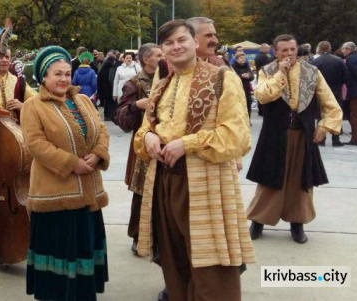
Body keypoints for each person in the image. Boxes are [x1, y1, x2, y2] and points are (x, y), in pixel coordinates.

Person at [134, 20, 255, 301]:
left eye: (181, 40)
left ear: (194, 42)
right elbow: (145, 129)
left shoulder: (222, 78)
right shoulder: (163, 85)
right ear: (162, 50)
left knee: (211, 263)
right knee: (174, 259)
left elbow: (237, 136)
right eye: (168, 43)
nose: (176, 47)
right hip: (165, 179)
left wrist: (188, 143)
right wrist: (149, 138)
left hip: (206, 181)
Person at [22, 46, 110, 301]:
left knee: (83, 247)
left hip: (88, 192)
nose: (63, 79)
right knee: (60, 250)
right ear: (43, 78)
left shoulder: (82, 100)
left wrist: (97, 154)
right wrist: (72, 163)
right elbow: (36, 144)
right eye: (57, 74)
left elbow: (101, 130)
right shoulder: (33, 106)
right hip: (56, 195)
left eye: (67, 73)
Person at [247, 34, 342, 244]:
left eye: (292, 49)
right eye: (284, 50)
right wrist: (280, 73)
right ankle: (258, 222)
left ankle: (297, 224)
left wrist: (325, 126)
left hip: (304, 133)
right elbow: (262, 96)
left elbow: (331, 103)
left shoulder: (312, 71)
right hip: (274, 133)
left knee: (302, 181)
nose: (289, 54)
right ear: (275, 52)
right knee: (269, 179)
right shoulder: (267, 71)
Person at [116, 43, 161, 254]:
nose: (163, 58)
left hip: (167, 141)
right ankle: (137, 235)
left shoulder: (171, 79)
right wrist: (135, 106)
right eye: (159, 55)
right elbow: (121, 119)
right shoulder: (134, 83)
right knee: (141, 191)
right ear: (146, 59)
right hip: (143, 144)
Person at [310, 41, 347, 146]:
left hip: (320, 91)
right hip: (335, 89)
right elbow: (345, 76)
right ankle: (336, 139)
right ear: (330, 48)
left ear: (319, 49)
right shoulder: (339, 61)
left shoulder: (314, 62)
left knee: (321, 113)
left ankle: (321, 139)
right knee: (336, 113)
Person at [341, 42, 357, 145]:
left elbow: (356, 73)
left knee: (355, 115)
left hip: (356, 90)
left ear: (348, 49)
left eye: (344, 49)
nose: (342, 51)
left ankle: (356, 139)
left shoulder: (350, 59)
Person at [232, 52, 254, 119]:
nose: (243, 59)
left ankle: (248, 119)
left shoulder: (247, 65)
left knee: (248, 103)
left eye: (244, 58)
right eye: (241, 58)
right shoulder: (233, 66)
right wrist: (241, 76)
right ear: (237, 59)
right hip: (238, 88)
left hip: (247, 88)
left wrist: (249, 76)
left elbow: (252, 77)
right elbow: (232, 76)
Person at [96, 51, 118, 119]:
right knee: (111, 102)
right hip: (110, 88)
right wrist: (113, 87)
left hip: (103, 88)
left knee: (106, 102)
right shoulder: (112, 68)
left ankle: (106, 115)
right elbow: (111, 79)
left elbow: (99, 77)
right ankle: (111, 115)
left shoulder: (103, 68)